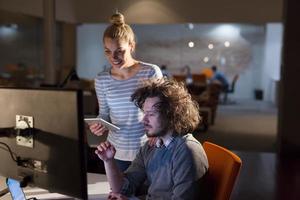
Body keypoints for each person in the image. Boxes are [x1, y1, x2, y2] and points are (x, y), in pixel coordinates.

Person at [95, 79, 209, 199]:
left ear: (171, 114)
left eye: (151, 114)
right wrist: (108, 161)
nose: (143, 120)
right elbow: (123, 188)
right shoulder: (151, 146)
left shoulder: (187, 151)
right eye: (144, 113)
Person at [89, 12, 162, 172]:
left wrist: (159, 133)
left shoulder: (150, 72)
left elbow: (162, 110)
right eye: (107, 51)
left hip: (148, 149)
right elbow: (104, 114)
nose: (113, 57)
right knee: (120, 194)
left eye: (119, 51)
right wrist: (100, 124)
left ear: (131, 45)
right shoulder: (102, 79)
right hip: (116, 152)